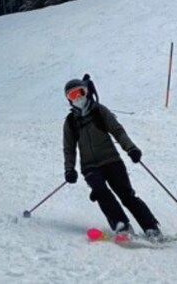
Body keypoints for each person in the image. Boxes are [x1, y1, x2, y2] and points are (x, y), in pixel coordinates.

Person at [62, 77, 161, 238]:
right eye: (73, 95)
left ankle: (151, 228)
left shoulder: (99, 111)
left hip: (111, 160)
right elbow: (69, 149)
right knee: (100, 191)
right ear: (68, 99)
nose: (78, 98)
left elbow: (117, 130)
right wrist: (69, 170)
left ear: (87, 92)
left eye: (81, 92)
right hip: (89, 166)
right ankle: (121, 225)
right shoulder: (70, 122)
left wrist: (131, 149)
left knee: (126, 195)